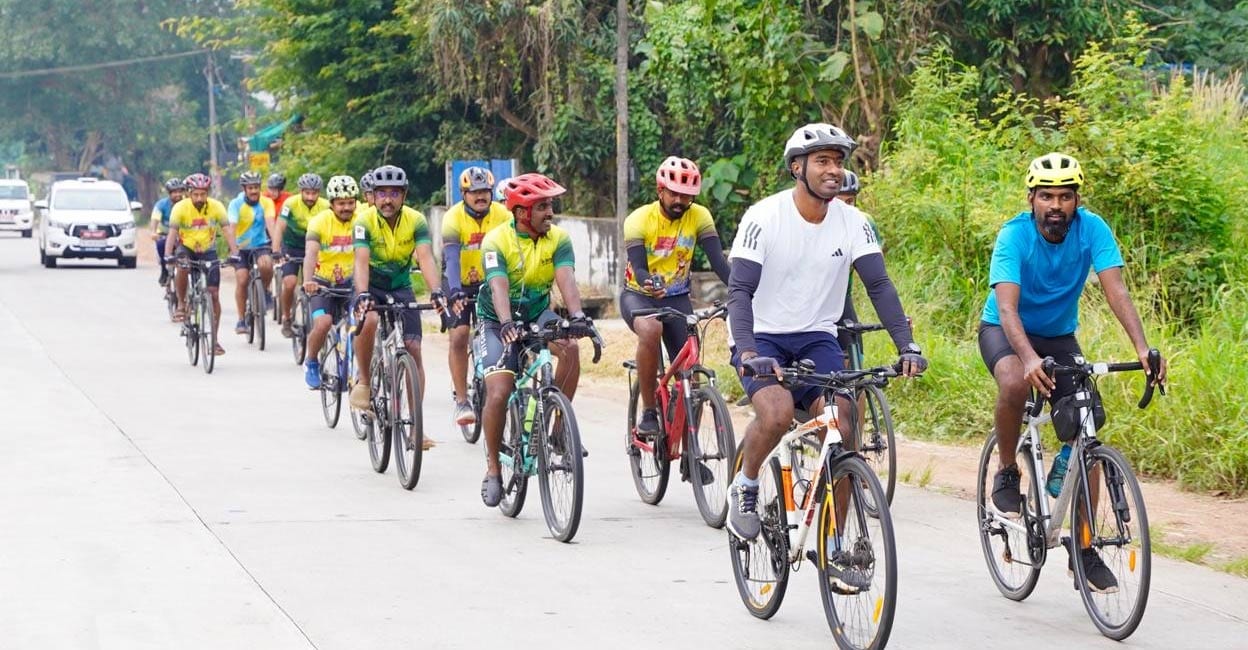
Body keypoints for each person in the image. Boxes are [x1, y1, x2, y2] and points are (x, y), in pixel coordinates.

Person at [725, 123, 926, 593]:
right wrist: (749, 350)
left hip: (817, 337)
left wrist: (906, 345)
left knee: (846, 419)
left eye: (839, 161)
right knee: (774, 415)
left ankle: (836, 542)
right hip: (763, 338)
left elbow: (879, 286)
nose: (835, 170)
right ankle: (747, 484)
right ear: (797, 167)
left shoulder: (854, 222)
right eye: (823, 161)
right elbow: (739, 291)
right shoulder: (764, 217)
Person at [981, 152, 1166, 593]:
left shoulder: (1093, 229)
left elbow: (1115, 289)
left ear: (1076, 200)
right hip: (1007, 333)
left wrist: (1142, 348)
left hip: (1059, 337)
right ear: (1032, 198)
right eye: (1047, 196)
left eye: (1065, 196)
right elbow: (1007, 308)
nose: (1056, 205)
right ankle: (1007, 469)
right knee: (1012, 381)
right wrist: (1026, 359)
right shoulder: (1014, 236)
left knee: (1086, 429)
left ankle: (1082, 551)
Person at [475, 173, 596, 507]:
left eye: (551, 205)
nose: (550, 212)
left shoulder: (558, 239)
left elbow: (566, 280)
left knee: (570, 348)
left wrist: (578, 317)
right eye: (542, 206)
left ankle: (558, 430)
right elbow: (498, 285)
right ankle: (493, 469)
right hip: (495, 319)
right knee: (499, 390)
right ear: (521, 213)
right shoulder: (495, 241)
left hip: (538, 311)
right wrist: (505, 323)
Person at [620, 156, 730, 439]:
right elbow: (640, 268)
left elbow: (718, 262)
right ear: (660, 190)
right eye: (674, 193)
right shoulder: (638, 220)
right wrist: (648, 282)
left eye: (687, 196)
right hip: (640, 295)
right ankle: (648, 412)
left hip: (678, 298)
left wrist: (743, 290)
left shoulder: (700, 216)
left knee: (692, 376)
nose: (680, 200)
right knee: (651, 328)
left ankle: (689, 454)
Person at [350, 164, 445, 450]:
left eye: (394, 193)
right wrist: (363, 294)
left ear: (403, 195)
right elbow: (360, 261)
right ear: (373, 196)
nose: (387, 200)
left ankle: (416, 426)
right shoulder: (363, 221)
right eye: (381, 194)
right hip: (372, 285)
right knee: (368, 322)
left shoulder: (416, 220)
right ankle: (365, 382)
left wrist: (437, 291)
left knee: (414, 349)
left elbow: (426, 258)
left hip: (401, 285)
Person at [442, 166, 512, 426]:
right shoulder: (452, 218)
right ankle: (462, 401)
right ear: (463, 194)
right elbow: (450, 258)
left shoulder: (503, 214)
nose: (480, 197)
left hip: (492, 281)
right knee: (459, 335)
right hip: (459, 280)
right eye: (474, 192)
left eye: (485, 192)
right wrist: (456, 290)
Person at [164, 173, 239, 356]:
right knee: (182, 266)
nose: (199, 198)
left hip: (208, 250)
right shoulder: (180, 208)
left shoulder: (217, 207)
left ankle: (214, 340)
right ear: (189, 193)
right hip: (186, 248)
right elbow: (172, 232)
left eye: (202, 194)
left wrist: (235, 252)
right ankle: (181, 305)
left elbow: (227, 230)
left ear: (207, 193)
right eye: (195, 194)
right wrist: (168, 254)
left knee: (213, 294)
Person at [302, 175, 360, 388]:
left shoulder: (361, 219)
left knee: (361, 324)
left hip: (351, 284)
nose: (347, 207)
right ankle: (311, 361)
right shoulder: (319, 222)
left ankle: (357, 368)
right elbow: (310, 253)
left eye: (350, 202)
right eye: (341, 203)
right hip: (322, 284)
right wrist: (308, 281)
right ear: (332, 203)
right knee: (324, 323)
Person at [276, 173, 330, 337]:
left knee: (319, 284)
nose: (310, 197)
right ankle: (286, 317)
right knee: (290, 282)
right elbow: (280, 227)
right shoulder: (290, 203)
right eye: (307, 193)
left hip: (314, 248)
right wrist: (276, 250)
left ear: (319, 193)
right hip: (292, 247)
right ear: (301, 191)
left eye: (314, 193)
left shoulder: (326, 206)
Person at [227, 171, 277, 334]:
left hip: (260, 244)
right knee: (242, 280)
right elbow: (231, 229)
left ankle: (265, 290)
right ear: (244, 188)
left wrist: (276, 249)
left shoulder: (267, 202)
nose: (254, 191)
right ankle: (241, 320)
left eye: (256, 187)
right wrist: (233, 251)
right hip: (240, 247)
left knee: (267, 265)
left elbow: (271, 224)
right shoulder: (236, 204)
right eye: (250, 188)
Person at [150, 177, 185, 286]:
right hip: (165, 233)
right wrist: (154, 231)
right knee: (160, 244)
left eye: (180, 191)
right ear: (169, 193)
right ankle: (164, 269)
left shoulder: (186, 204)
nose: (178, 195)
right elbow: (155, 218)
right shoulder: (161, 204)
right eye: (174, 192)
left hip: (183, 234)